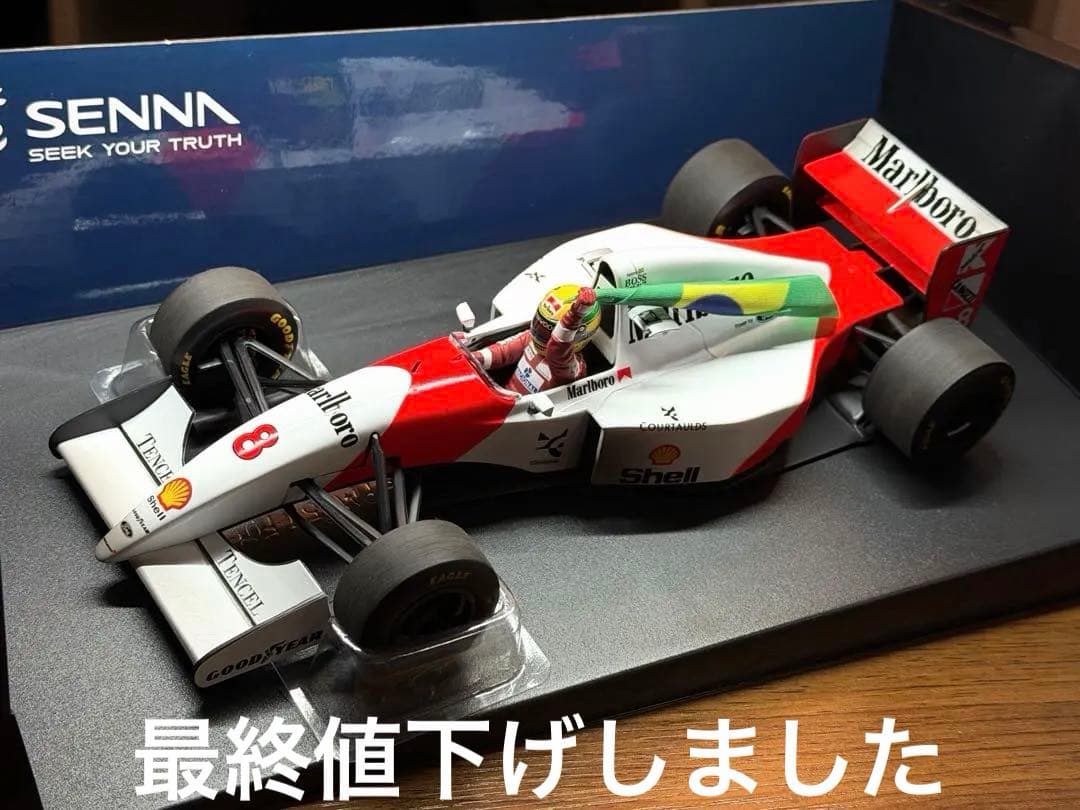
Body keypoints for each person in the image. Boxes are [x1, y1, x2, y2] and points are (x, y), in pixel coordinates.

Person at [473, 284, 600, 394]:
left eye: (550, 331)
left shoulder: (573, 368)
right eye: (540, 323)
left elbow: (558, 353)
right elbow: (501, 352)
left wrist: (573, 317)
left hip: (528, 412)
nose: (541, 333)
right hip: (502, 398)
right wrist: (472, 358)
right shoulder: (531, 338)